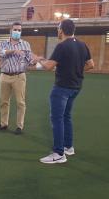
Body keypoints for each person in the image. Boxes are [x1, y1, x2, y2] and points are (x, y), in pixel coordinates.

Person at [36, 19, 95, 164]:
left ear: (61, 30)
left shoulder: (62, 46)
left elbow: (49, 66)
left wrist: (39, 59)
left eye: (58, 29)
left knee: (57, 119)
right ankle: (68, 147)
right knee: (66, 116)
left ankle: (58, 153)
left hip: (62, 88)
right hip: (76, 87)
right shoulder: (82, 44)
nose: (58, 31)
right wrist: (74, 71)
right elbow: (91, 65)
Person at [0, 22, 36, 135]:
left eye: (19, 30)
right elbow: (0, 54)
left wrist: (35, 61)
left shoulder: (26, 44)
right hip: (4, 76)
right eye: (15, 29)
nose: (18, 32)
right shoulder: (3, 43)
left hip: (19, 76)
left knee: (20, 102)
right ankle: (3, 124)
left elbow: (29, 61)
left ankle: (19, 126)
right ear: (11, 30)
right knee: (3, 102)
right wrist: (13, 51)